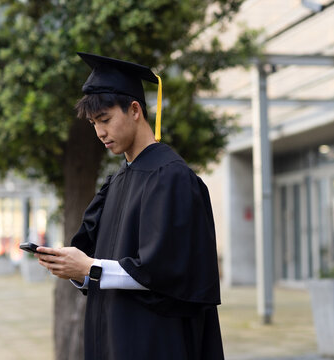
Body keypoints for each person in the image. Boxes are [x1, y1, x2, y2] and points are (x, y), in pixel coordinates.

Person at [35, 52, 224, 360]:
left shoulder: (171, 178)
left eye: (106, 119)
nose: (99, 133)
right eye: (95, 123)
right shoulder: (117, 182)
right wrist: (75, 268)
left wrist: (89, 268)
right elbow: (100, 263)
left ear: (135, 110)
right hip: (112, 337)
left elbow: (166, 273)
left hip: (154, 341)